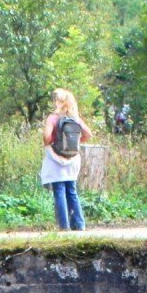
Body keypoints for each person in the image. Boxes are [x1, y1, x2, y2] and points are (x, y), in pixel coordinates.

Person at [40, 88, 94, 231]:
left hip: (55, 158)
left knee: (59, 190)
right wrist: (75, 143)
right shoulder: (75, 118)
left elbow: (46, 137)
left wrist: (53, 144)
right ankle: (79, 224)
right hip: (72, 158)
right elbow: (88, 134)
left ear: (58, 101)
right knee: (72, 191)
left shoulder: (53, 118)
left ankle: (64, 226)